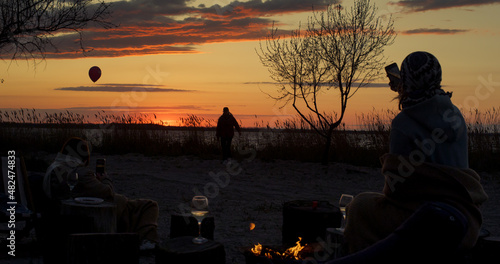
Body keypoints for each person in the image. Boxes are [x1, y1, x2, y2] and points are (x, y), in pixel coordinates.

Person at [343, 52, 488, 254]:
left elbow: (396, 192)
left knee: (359, 206)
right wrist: (405, 90)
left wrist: (404, 93)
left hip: (429, 222)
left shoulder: (402, 124)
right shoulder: (455, 115)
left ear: (407, 81)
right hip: (465, 219)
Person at [43, 137, 160, 248]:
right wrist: (104, 178)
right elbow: (107, 192)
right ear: (84, 158)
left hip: (76, 213)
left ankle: (145, 241)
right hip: (95, 214)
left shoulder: (54, 168)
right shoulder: (80, 173)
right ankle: (148, 242)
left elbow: (86, 190)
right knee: (149, 205)